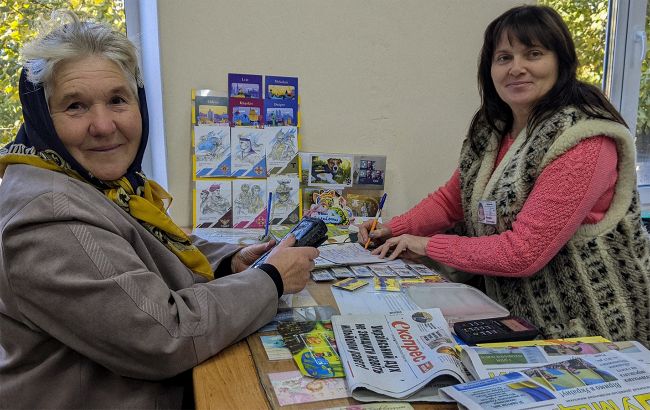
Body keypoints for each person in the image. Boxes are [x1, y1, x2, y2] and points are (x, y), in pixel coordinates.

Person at [0, 11, 318, 409]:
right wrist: (271, 280)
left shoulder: (99, 183)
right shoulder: (49, 217)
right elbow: (163, 336)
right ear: (41, 118)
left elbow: (145, 248)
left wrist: (229, 262)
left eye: (118, 100)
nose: (103, 125)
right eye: (76, 106)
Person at [359, 5, 650, 347]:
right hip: (518, 320)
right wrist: (393, 228)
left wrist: (425, 244)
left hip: (594, 332)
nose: (517, 68)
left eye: (534, 54)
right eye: (504, 57)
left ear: (561, 62)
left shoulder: (585, 140)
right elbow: (452, 200)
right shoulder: (494, 129)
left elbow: (523, 252)